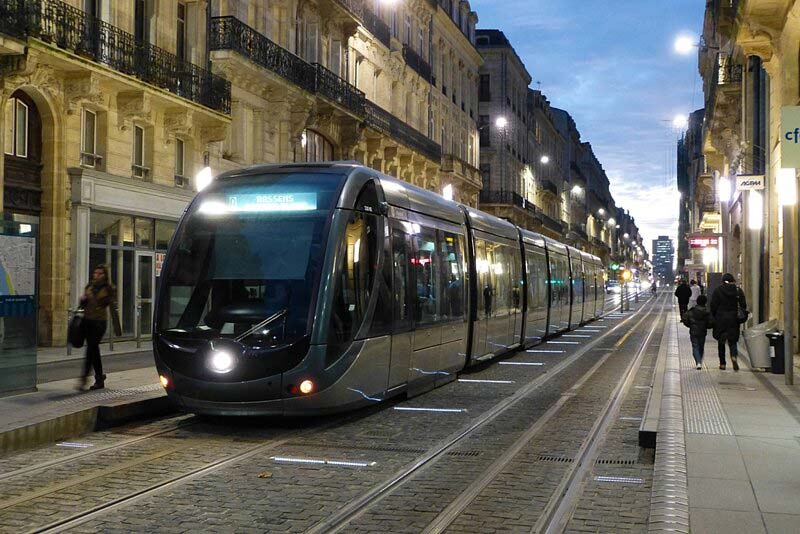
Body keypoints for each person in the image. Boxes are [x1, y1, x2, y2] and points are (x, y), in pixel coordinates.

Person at [79, 264, 122, 390]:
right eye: (95, 273)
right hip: (87, 321)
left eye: (100, 273)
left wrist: (117, 329)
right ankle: (99, 378)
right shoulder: (89, 287)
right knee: (93, 350)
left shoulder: (109, 288)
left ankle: (84, 377)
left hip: (99, 323)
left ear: (105, 275)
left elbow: (113, 309)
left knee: (91, 348)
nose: (96, 275)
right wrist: (83, 300)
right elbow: (83, 305)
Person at [710, 273, 748, 371]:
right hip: (733, 318)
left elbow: (713, 305)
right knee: (733, 340)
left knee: (721, 342)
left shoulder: (718, 290)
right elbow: (743, 304)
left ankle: (722, 363)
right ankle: (734, 356)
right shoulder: (737, 290)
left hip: (720, 318)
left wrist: (713, 316)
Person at [682, 294, 713, 369]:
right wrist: (707, 326)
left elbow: (685, 318)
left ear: (697, 301)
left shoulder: (692, 310)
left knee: (695, 346)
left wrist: (690, 325)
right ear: (705, 302)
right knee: (701, 346)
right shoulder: (707, 312)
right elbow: (711, 322)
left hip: (693, 331)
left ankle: (698, 362)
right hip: (702, 331)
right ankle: (699, 361)